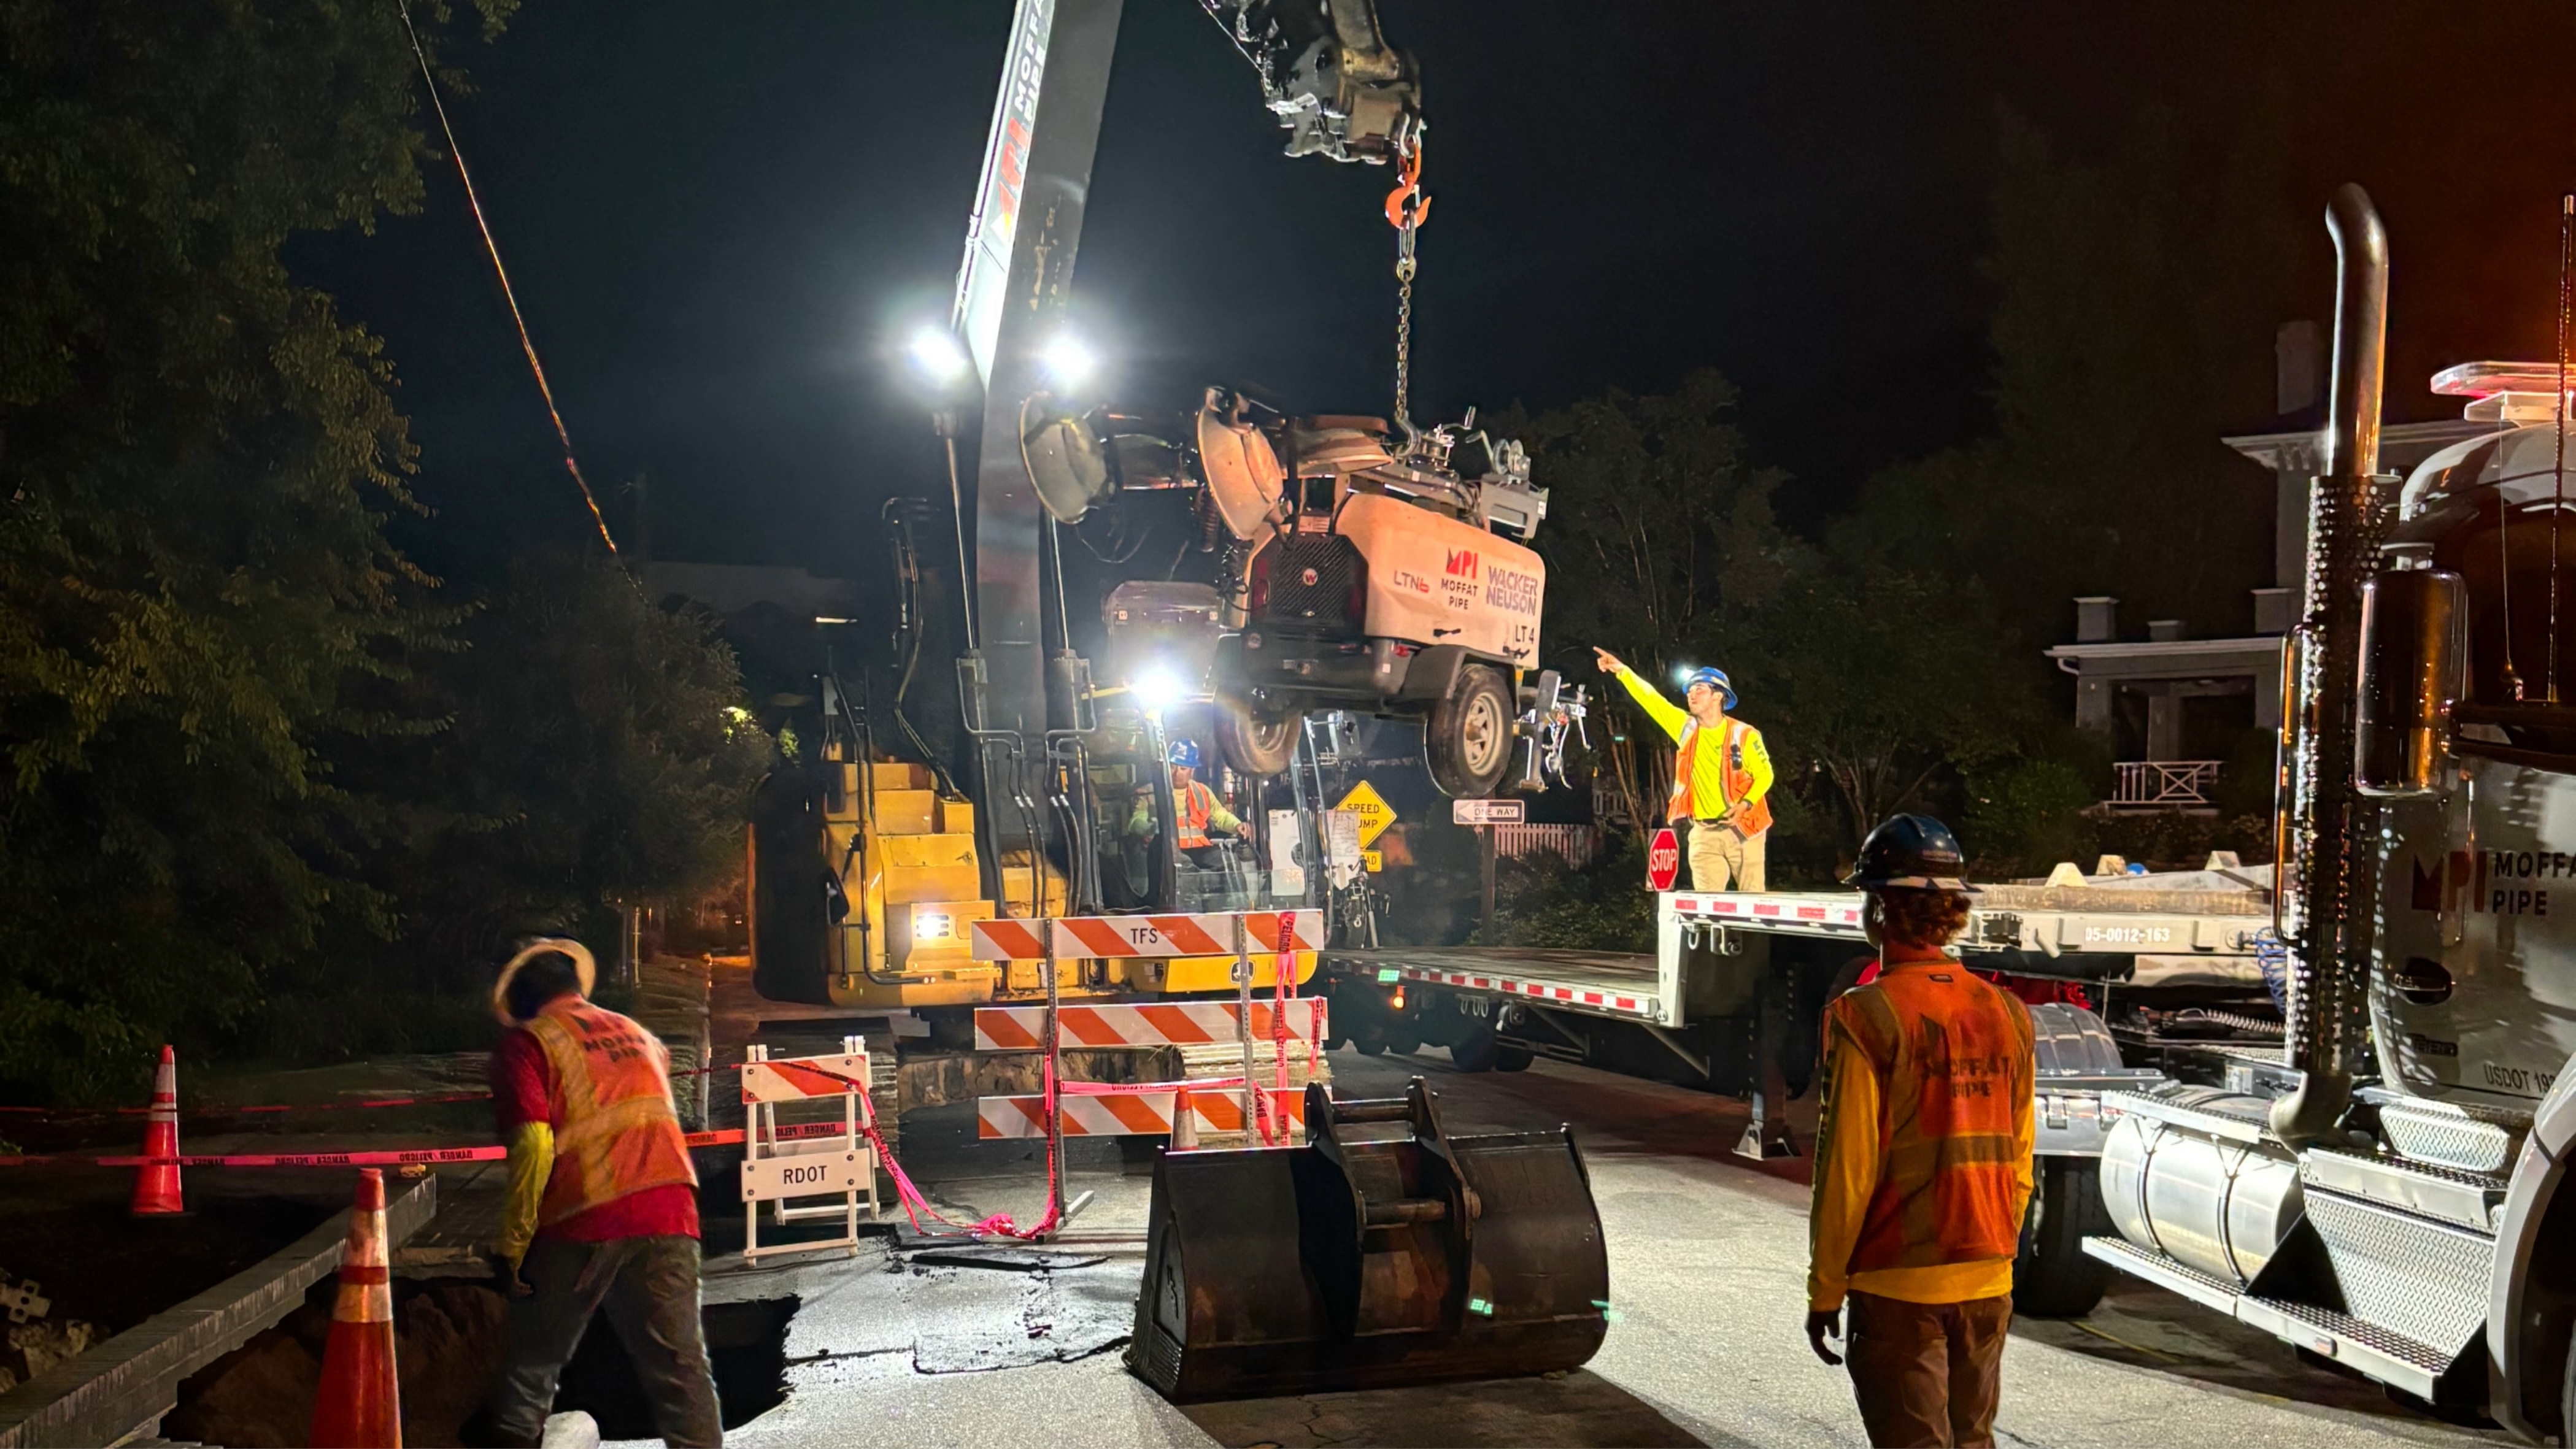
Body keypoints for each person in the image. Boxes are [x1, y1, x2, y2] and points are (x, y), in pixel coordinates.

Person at [1804, 815, 2035, 1449]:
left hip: (1898, 1281)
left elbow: (1847, 1170)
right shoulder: (2006, 1013)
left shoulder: (1866, 1015)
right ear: (1952, 910)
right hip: (1988, 1274)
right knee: (1972, 1440)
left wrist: (1825, 1288)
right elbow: (2020, 1159)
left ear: (1878, 910)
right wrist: (1996, 1249)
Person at [485, 939, 720, 1448]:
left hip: (583, 1217)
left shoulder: (529, 1046)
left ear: (521, 1001)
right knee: (682, 1370)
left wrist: (514, 1245)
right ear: (575, 987)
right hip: (670, 1211)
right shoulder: (638, 1035)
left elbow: (532, 1143)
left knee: (533, 1365)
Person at [1592, 648, 1773, 890]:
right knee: (1707, 913)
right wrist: (1622, 671)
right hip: (1703, 832)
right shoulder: (1685, 727)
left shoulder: (1744, 734)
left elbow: (1765, 775)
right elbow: (1652, 700)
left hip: (1745, 829)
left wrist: (1745, 804)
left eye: (1700, 689)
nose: (1691, 694)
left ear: (1719, 697)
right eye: (1690, 690)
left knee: (1751, 908)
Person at [1128, 739, 1246, 868]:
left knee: (1230, 862)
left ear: (1192, 771)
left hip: (1200, 849)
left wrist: (1237, 825)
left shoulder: (1202, 792)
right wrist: (1148, 829)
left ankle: (1238, 890)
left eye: (1183, 768)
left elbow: (1220, 815)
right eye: (1172, 767)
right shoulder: (1149, 792)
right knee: (1186, 870)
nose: (1177, 773)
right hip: (1167, 850)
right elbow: (1136, 820)